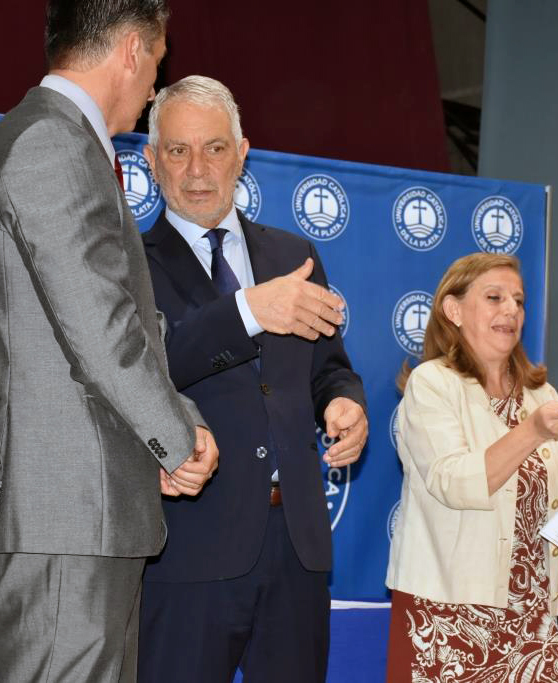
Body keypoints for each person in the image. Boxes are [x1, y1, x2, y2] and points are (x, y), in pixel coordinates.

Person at [0, 3, 219, 681]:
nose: (155, 83)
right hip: (67, 515)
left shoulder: (56, 139)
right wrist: (175, 440)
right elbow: (99, 328)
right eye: (157, 59)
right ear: (130, 50)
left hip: (81, 517)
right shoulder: (52, 142)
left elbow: (118, 322)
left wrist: (179, 420)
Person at [137, 76, 368, 683]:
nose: (197, 169)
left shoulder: (294, 255)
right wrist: (247, 311)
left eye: (214, 148)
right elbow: (147, 366)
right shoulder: (126, 262)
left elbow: (329, 368)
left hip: (296, 546)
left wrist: (344, 403)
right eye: (178, 150)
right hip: (187, 553)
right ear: (151, 160)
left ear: (241, 154)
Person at [385, 252, 558, 682]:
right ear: (453, 310)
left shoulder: (542, 394)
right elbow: (453, 482)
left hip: (533, 617)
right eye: (495, 297)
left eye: (519, 300)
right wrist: (532, 431)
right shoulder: (432, 383)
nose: (512, 310)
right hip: (447, 615)